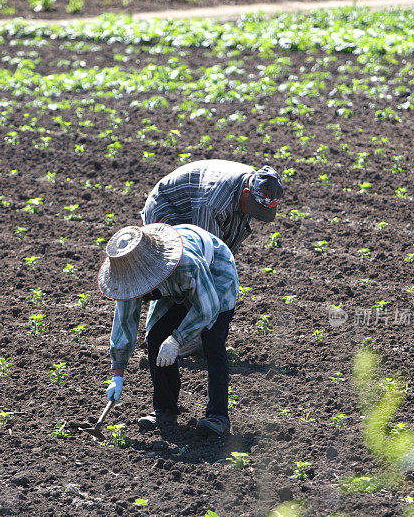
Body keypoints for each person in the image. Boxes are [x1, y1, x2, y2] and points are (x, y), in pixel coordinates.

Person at [98, 222, 239, 438]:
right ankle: (164, 410)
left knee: (213, 342)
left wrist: (177, 339)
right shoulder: (127, 274)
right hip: (174, 283)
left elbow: (207, 308)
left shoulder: (185, 265)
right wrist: (117, 374)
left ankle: (218, 417)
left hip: (214, 271)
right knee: (155, 336)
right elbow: (125, 320)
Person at [141, 159, 284, 256]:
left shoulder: (251, 184)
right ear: (246, 193)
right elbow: (206, 249)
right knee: (180, 265)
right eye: (254, 208)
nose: (254, 214)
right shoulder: (215, 204)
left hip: (197, 204)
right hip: (167, 208)